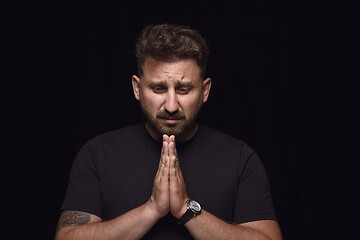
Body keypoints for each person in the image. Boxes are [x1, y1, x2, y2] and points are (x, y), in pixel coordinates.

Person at [55, 23, 282, 240]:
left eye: (183, 89)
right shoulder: (97, 154)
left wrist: (186, 210)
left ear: (205, 90)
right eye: (158, 88)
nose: (171, 105)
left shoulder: (240, 159)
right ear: (137, 88)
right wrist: (152, 209)